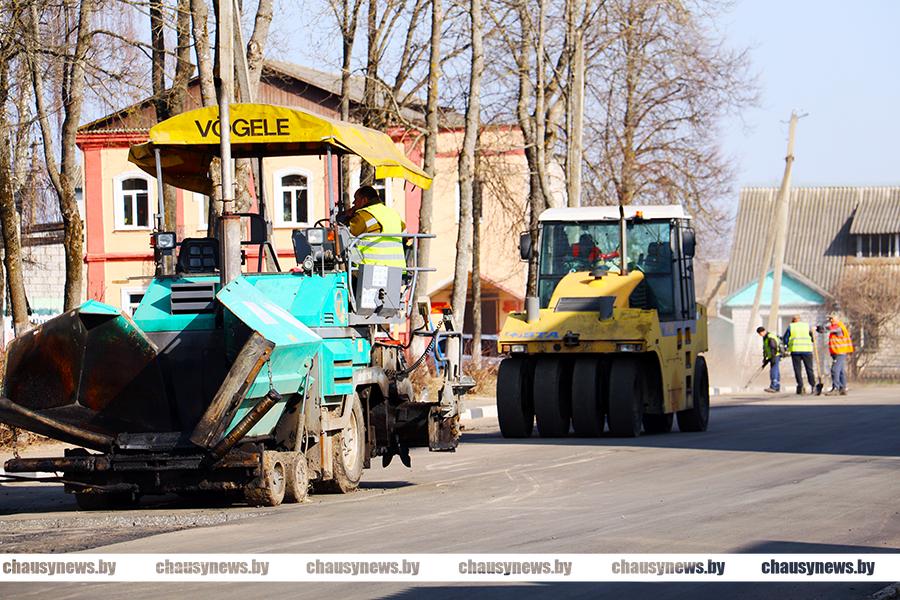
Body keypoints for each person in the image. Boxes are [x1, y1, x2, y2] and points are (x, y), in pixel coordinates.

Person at [342, 185, 406, 268]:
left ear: (364, 200)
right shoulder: (392, 213)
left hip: (372, 268)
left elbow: (348, 233)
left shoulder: (363, 216)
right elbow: (406, 235)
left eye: (356, 199)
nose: (354, 203)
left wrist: (348, 217)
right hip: (397, 268)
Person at [783, 315, 816, 395]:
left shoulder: (791, 326)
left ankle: (800, 386)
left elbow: (785, 339)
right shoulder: (806, 326)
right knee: (809, 369)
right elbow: (812, 338)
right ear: (799, 319)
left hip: (796, 350)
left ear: (793, 320)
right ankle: (813, 385)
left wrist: (786, 347)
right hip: (807, 350)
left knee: (797, 369)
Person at [822, 313, 853, 396]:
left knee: (834, 369)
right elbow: (826, 329)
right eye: (829, 319)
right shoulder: (837, 326)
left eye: (832, 319)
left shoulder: (838, 327)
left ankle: (836, 388)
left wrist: (819, 328)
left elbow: (828, 329)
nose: (830, 320)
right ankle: (842, 388)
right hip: (838, 352)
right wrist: (819, 329)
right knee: (841, 371)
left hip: (840, 352)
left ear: (837, 319)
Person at [756, 326, 783, 393]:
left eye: (760, 333)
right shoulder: (765, 337)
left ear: (763, 331)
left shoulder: (769, 337)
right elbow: (765, 349)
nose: (760, 335)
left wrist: (773, 357)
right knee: (775, 370)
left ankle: (773, 386)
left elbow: (773, 347)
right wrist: (765, 358)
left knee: (773, 370)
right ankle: (777, 386)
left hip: (775, 356)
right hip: (772, 356)